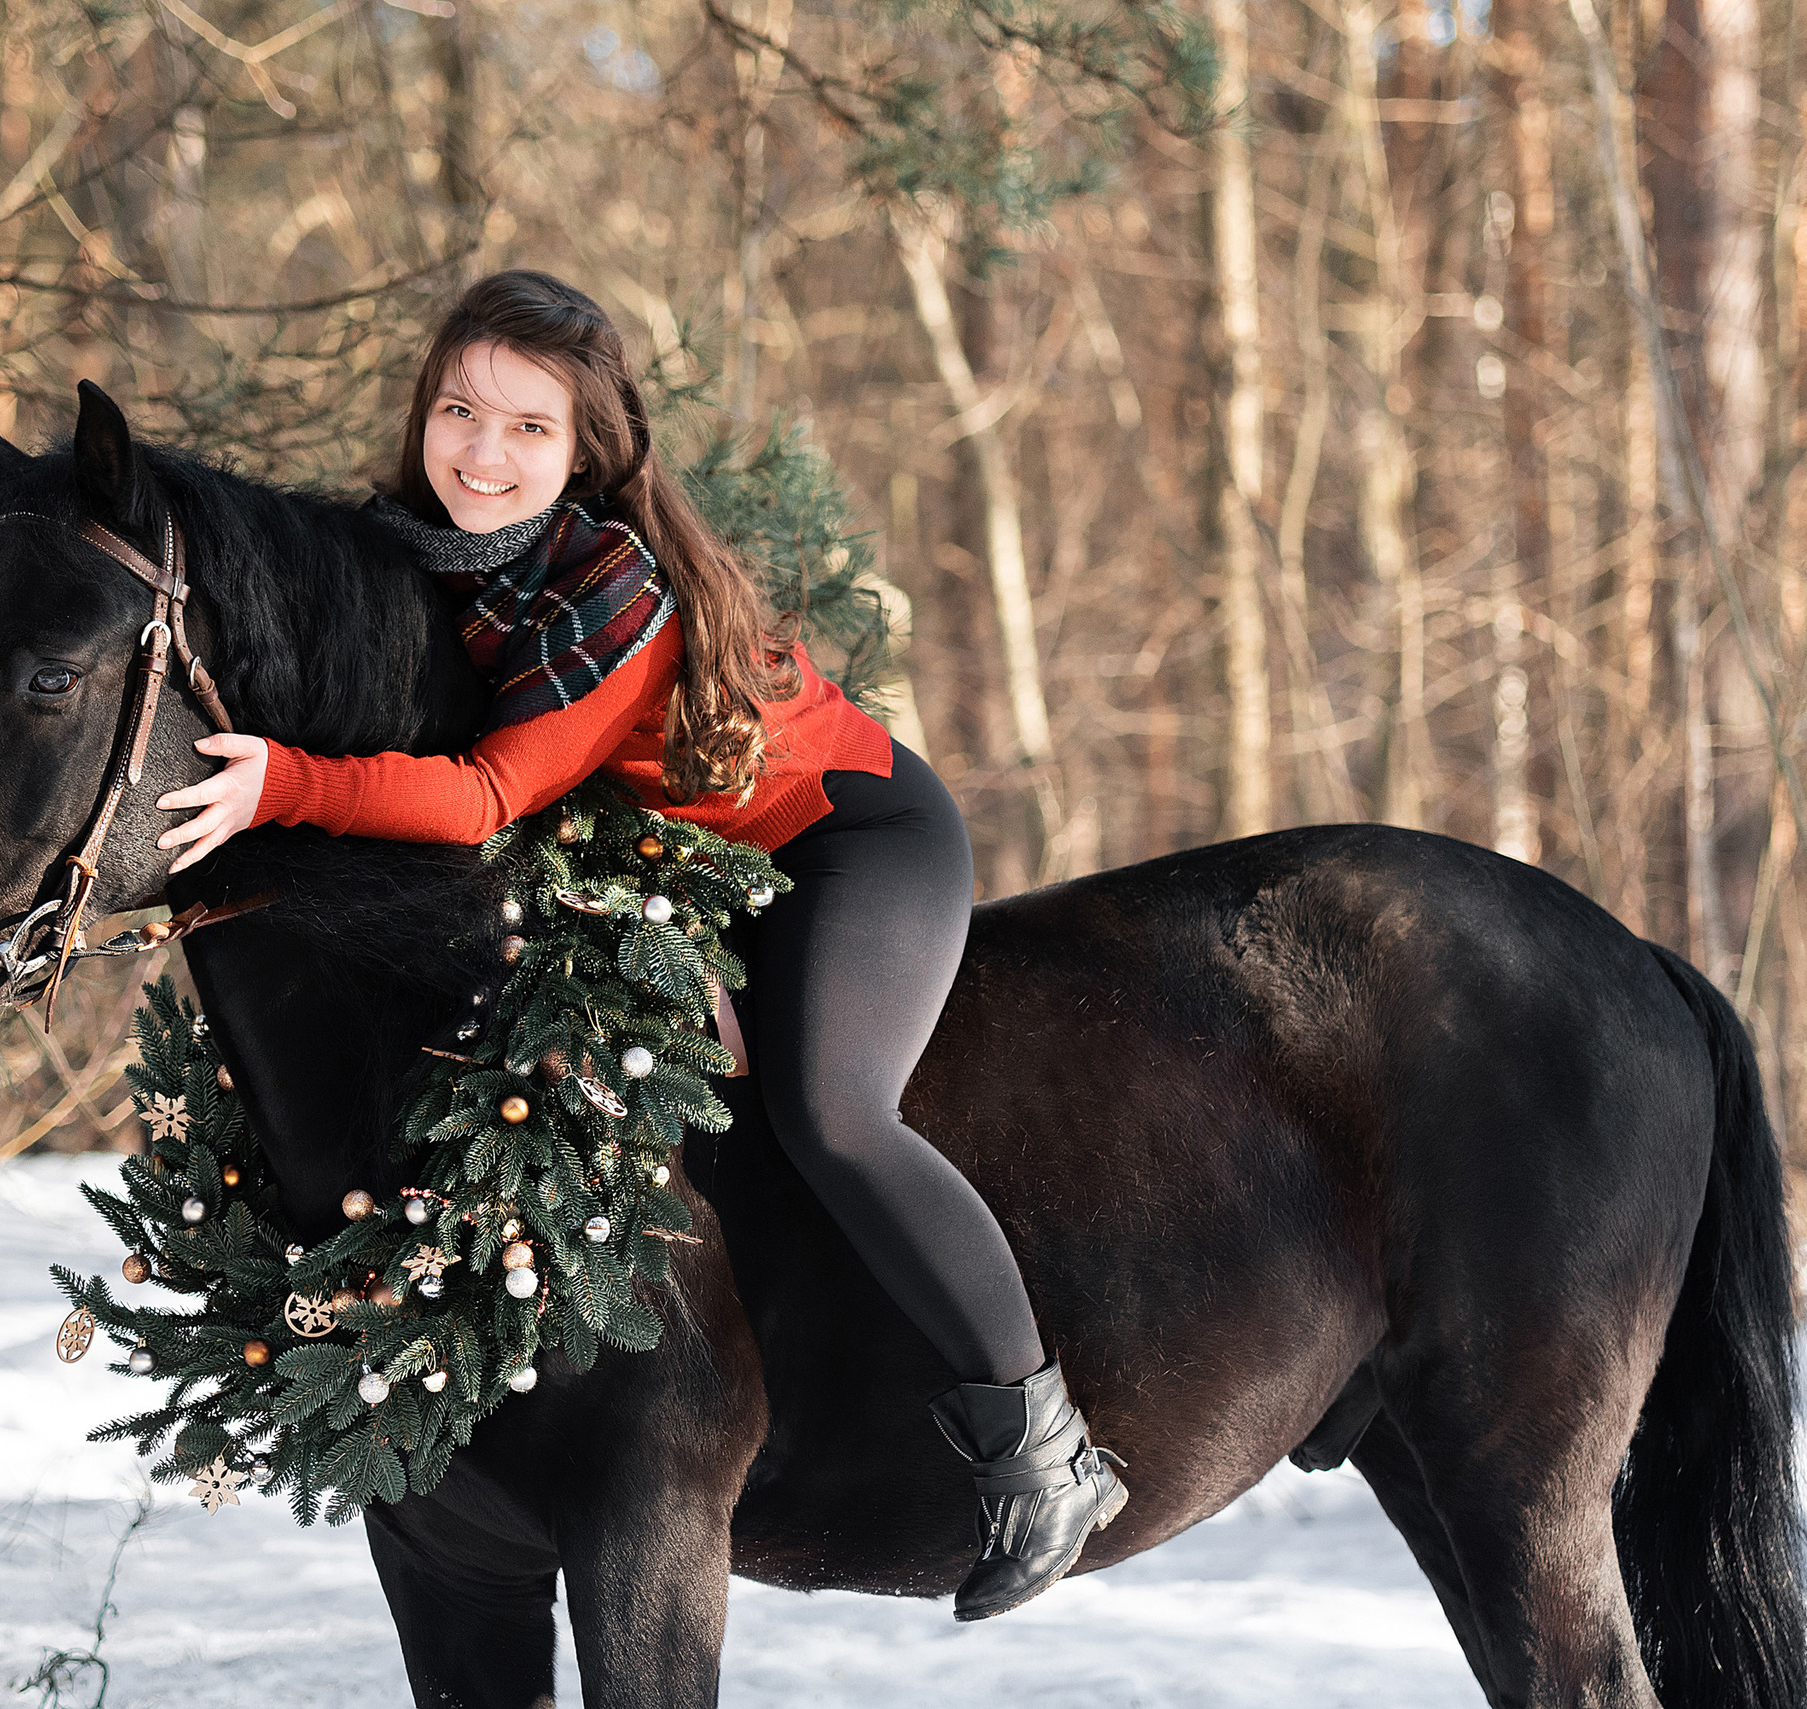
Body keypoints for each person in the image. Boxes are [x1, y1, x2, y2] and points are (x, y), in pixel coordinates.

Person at [153, 269, 1125, 1619]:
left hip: (850, 834)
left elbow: (486, 796)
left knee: (832, 1110)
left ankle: (1044, 1444)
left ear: (587, 452)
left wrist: (285, 785)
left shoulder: (614, 599)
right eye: (459, 411)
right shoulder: (432, 557)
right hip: (691, 847)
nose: (482, 453)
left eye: (529, 428)